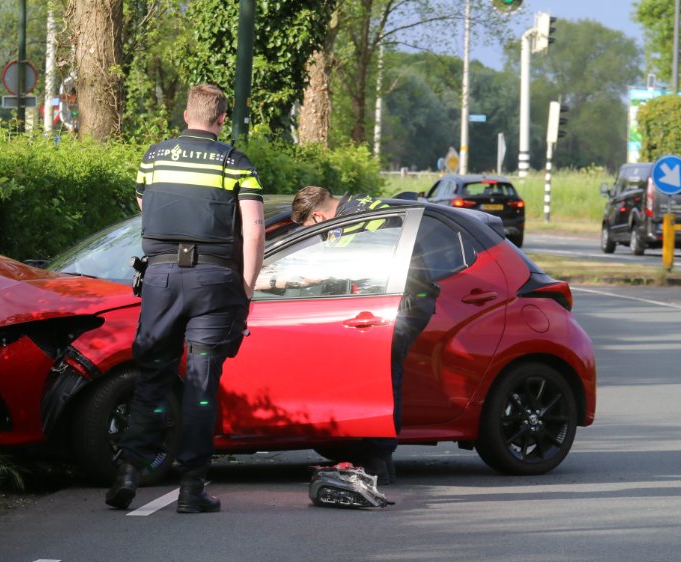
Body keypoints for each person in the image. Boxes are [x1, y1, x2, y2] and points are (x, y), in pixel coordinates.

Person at [106, 84, 265, 513]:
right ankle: (192, 489)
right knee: (199, 386)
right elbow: (252, 229)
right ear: (220, 120)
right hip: (214, 282)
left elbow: (145, 204)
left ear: (185, 115)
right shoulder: (234, 162)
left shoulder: (154, 157)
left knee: (153, 374)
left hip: (159, 279)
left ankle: (129, 469)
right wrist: (247, 286)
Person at [289, 186, 439, 483]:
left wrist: (293, 278)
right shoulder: (357, 205)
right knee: (375, 375)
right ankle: (376, 456)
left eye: (310, 229)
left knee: (382, 377)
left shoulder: (349, 223)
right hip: (408, 298)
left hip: (401, 304)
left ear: (318, 216)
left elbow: (329, 272)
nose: (316, 236)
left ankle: (379, 459)